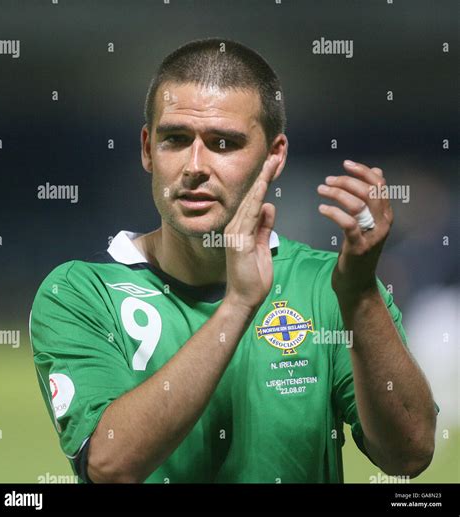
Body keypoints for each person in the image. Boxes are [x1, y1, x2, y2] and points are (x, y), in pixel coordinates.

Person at [30, 38, 438, 484]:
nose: (195, 166)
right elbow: (110, 467)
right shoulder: (78, 294)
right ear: (148, 148)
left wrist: (360, 295)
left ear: (274, 155)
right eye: (176, 139)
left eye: (223, 143)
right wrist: (238, 305)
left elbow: (409, 455)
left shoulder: (328, 285)